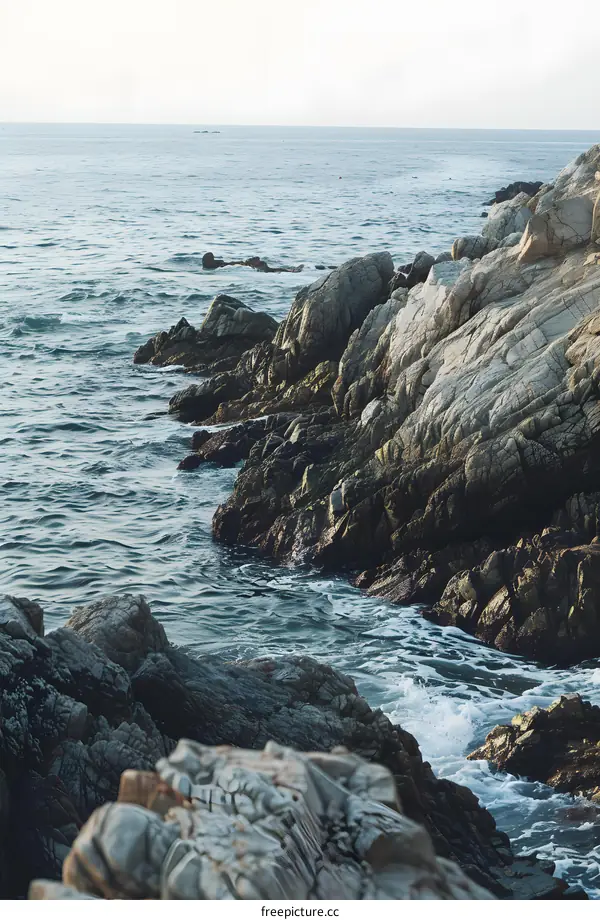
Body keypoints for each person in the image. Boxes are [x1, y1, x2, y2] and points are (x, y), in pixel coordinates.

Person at [202, 252, 303, 273]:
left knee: (273, 269)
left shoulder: (217, 264)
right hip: (243, 265)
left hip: (242, 265)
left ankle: (292, 270)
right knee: (272, 270)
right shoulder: (217, 265)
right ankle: (292, 270)